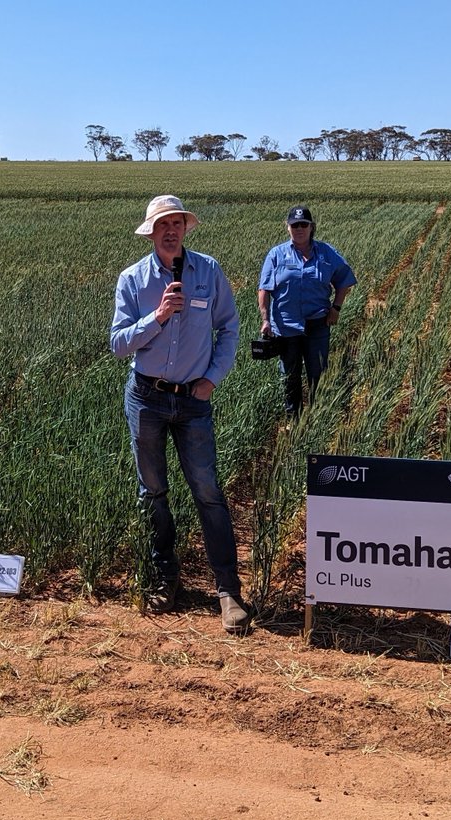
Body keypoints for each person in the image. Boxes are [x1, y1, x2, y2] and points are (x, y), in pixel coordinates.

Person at [110, 195, 249, 634]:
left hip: (193, 400)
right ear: (150, 232)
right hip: (146, 398)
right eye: (162, 225)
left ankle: (228, 591)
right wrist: (157, 316)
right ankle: (164, 578)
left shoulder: (208, 271)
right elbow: (119, 344)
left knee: (207, 491)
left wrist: (212, 378)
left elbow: (229, 327)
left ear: (186, 228)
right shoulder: (133, 279)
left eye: (177, 223)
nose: (170, 231)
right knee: (152, 492)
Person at [257, 205, 356, 418]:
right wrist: (265, 319)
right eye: (295, 225)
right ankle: (294, 419)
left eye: (304, 224)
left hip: (317, 324)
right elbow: (264, 289)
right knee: (289, 375)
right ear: (288, 227)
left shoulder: (326, 253)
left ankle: (317, 418)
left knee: (317, 373)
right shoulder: (276, 254)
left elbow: (344, 281)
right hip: (286, 326)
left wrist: (336, 308)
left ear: (312, 227)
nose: (299, 229)